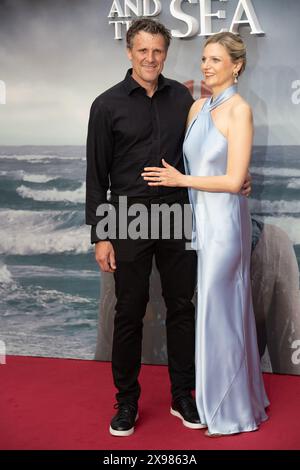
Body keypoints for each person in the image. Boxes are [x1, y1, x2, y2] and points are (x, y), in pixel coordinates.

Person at [86, 20, 250, 437]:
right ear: (129, 52)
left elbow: (204, 152)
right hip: (127, 218)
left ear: (166, 52)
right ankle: (126, 402)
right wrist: (101, 234)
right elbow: (96, 176)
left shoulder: (185, 98)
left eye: (158, 51)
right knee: (129, 312)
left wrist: (239, 178)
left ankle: (183, 395)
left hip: (179, 215)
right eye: (142, 51)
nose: (150, 58)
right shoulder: (106, 105)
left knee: (182, 308)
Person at [142, 32, 269, 436]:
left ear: (237, 65)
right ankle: (226, 399)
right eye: (204, 58)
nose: (207, 66)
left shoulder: (240, 110)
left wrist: (184, 179)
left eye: (216, 59)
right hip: (199, 227)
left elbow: (232, 181)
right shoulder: (196, 106)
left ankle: (230, 410)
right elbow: (213, 165)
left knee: (219, 311)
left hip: (226, 229)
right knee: (217, 312)